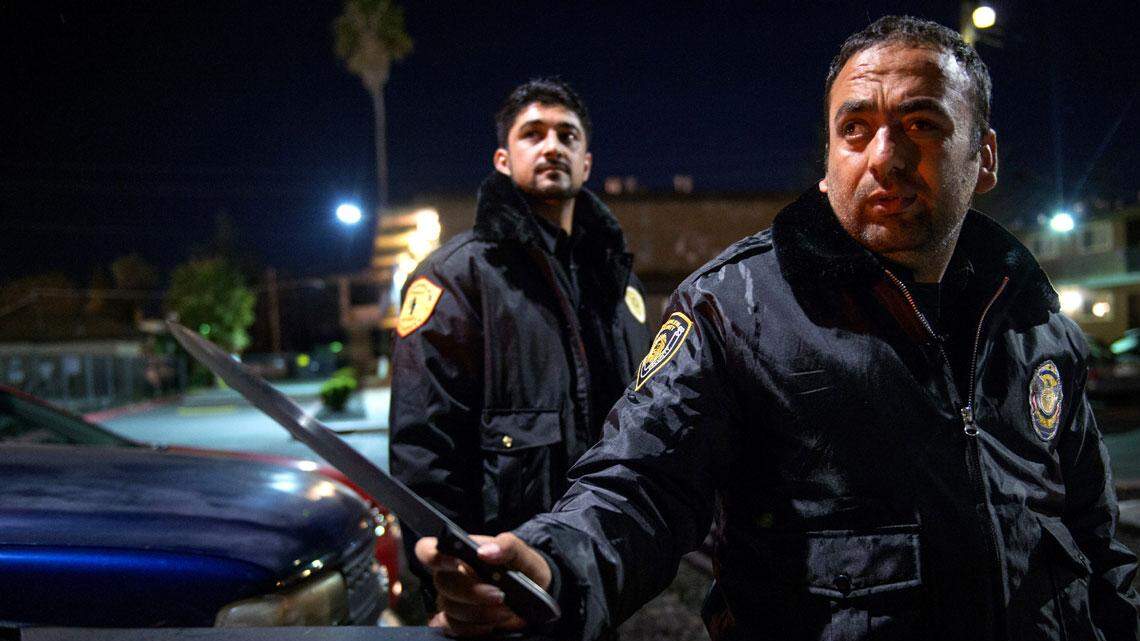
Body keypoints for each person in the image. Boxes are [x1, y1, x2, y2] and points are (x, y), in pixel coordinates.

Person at [413, 16, 1140, 641]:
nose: (882, 156)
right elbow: (642, 482)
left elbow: (1096, 536)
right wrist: (551, 566)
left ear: (983, 157)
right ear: (827, 161)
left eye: (921, 124)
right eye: (855, 129)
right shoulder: (734, 306)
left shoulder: (1032, 311)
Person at [389, 78, 651, 606]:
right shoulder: (455, 278)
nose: (552, 146)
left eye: (567, 135)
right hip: (499, 581)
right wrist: (450, 580)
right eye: (533, 133)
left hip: (595, 577)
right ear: (504, 159)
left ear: (587, 162)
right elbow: (424, 450)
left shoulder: (621, 288)